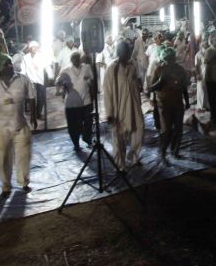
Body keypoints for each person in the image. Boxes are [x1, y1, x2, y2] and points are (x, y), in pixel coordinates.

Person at [0, 54, 36, 195]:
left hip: (20, 124)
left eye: (10, 63)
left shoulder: (23, 79)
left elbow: (32, 98)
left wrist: (33, 117)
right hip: (0, 127)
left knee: (24, 155)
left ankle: (24, 182)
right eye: (6, 64)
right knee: (2, 156)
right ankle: (6, 184)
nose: (10, 66)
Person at [103, 41, 145, 170]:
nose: (128, 54)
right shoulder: (112, 68)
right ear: (120, 53)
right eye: (126, 52)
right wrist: (109, 113)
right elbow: (107, 93)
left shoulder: (133, 65)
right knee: (118, 138)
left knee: (138, 131)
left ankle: (133, 157)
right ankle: (120, 165)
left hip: (134, 106)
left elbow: (137, 83)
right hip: (119, 108)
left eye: (129, 51)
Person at [149, 47, 190, 164]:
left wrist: (187, 101)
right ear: (164, 59)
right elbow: (151, 88)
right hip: (164, 104)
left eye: (171, 59)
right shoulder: (159, 69)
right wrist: (161, 80)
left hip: (178, 103)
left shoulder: (180, 69)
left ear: (174, 58)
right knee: (166, 130)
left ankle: (175, 151)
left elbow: (184, 87)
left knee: (178, 129)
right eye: (167, 60)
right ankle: (162, 154)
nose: (170, 62)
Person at [55, 51, 94, 150]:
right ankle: (76, 144)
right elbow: (57, 81)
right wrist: (62, 85)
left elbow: (92, 81)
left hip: (86, 101)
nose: (77, 60)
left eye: (78, 58)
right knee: (73, 125)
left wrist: (89, 82)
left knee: (88, 122)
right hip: (72, 103)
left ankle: (87, 139)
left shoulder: (86, 67)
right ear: (71, 60)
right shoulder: (66, 70)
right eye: (74, 58)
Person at [19, 40, 47, 120]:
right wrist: (22, 79)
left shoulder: (41, 56)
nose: (34, 49)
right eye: (32, 47)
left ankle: (38, 113)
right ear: (29, 48)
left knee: (41, 97)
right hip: (31, 80)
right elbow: (23, 70)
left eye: (36, 47)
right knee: (32, 98)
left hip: (40, 80)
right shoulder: (25, 57)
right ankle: (34, 114)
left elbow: (46, 67)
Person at [194, 40, 209, 111]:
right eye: (205, 45)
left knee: (207, 90)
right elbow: (196, 66)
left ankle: (207, 105)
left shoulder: (209, 52)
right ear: (202, 46)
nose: (207, 46)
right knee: (201, 90)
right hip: (201, 74)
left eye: (207, 45)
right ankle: (201, 106)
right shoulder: (198, 54)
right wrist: (197, 74)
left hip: (208, 74)